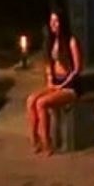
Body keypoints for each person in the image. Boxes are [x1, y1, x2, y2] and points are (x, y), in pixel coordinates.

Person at [25, 9, 82, 155]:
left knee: (41, 103)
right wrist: (50, 79)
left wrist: (62, 85)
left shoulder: (71, 41)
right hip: (55, 83)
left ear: (63, 23)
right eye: (51, 21)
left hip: (69, 86)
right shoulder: (50, 42)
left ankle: (47, 142)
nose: (53, 24)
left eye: (56, 21)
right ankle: (34, 139)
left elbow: (77, 69)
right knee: (31, 100)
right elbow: (48, 65)